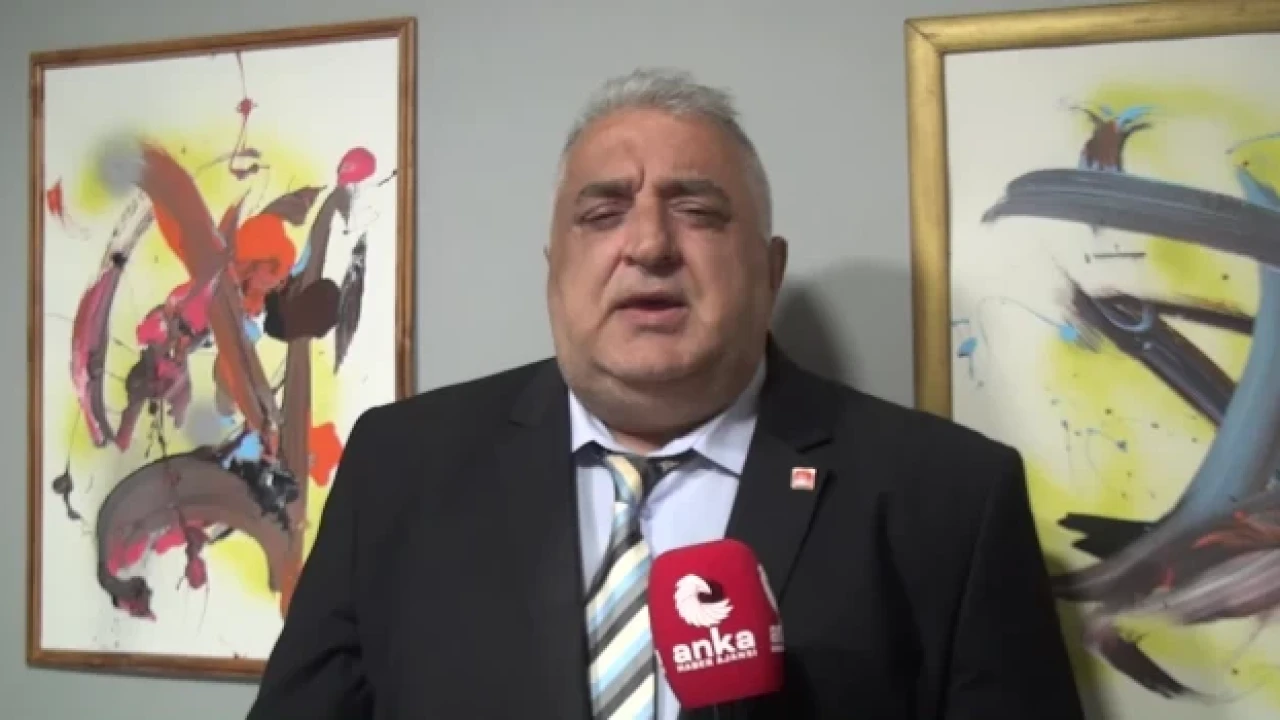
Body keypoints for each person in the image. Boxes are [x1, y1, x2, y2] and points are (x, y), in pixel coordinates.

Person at [245, 67, 1085, 720]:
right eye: (602, 212)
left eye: (698, 210)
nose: (649, 244)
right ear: (554, 271)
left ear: (770, 270)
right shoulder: (401, 467)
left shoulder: (950, 499)